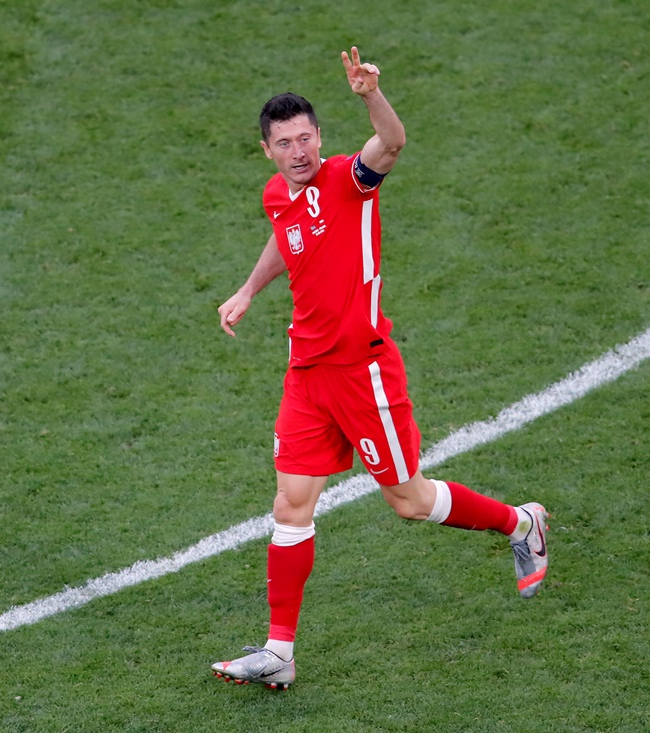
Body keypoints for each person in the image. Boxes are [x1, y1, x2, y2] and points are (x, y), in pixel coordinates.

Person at [211, 47, 548, 691]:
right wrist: (249, 289)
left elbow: (391, 143)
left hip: (363, 372)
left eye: (307, 137)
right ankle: (279, 650)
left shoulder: (349, 179)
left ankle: (521, 522)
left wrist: (370, 95)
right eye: (286, 143)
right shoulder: (277, 196)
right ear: (268, 152)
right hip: (306, 373)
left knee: (408, 500)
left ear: (320, 138)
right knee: (291, 502)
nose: (300, 151)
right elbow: (288, 240)